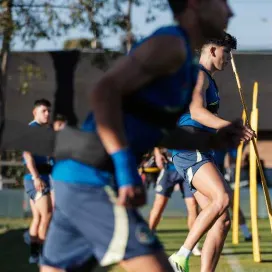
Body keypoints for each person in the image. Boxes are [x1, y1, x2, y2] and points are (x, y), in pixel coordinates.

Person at [40, 1, 247, 272]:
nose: (230, 12)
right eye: (223, 3)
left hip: (78, 179)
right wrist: (127, 173)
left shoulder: (184, 65)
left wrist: (210, 141)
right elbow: (104, 92)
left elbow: (158, 130)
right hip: (91, 179)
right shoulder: (170, 42)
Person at [169, 32, 255, 272]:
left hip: (200, 148)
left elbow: (206, 121)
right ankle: (180, 256)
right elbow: (196, 113)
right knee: (223, 197)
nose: (228, 60)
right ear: (213, 50)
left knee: (222, 220)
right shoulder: (198, 75)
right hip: (189, 147)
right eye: (227, 53)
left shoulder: (208, 80)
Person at [148, 147, 202, 256]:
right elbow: (157, 139)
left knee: (192, 205)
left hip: (186, 168)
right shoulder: (169, 130)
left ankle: (194, 245)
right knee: (159, 205)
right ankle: (148, 240)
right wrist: (158, 154)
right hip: (168, 169)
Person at [23, 99, 54, 264]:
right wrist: (36, 177)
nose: (47, 114)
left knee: (37, 217)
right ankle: (43, 256)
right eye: (44, 111)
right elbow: (27, 155)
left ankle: (34, 254)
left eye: (48, 111)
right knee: (47, 215)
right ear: (35, 113)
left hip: (40, 177)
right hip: (35, 178)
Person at [213, 148, 252, 241]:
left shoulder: (223, 147)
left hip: (221, 179)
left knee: (233, 206)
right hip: (212, 179)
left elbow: (232, 159)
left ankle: (246, 233)